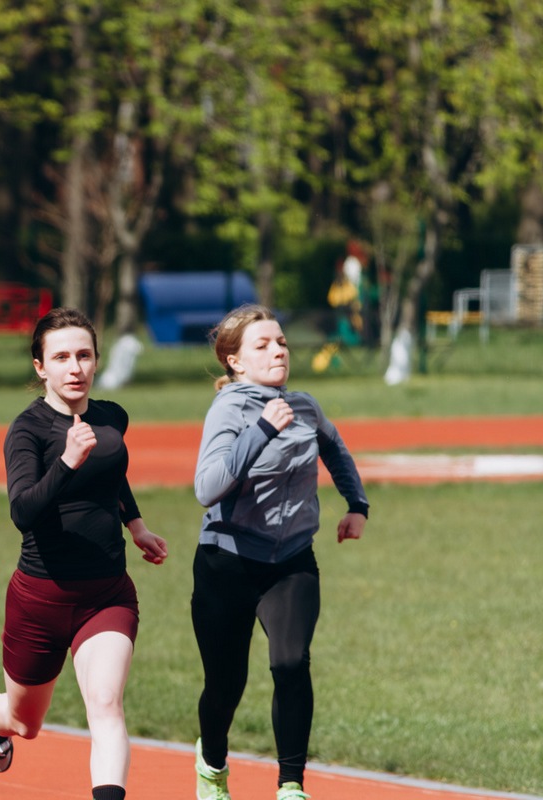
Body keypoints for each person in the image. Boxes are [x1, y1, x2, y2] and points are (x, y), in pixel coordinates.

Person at [0, 307, 168, 800]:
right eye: (61, 357)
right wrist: (66, 461)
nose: (75, 367)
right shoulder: (28, 430)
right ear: (40, 367)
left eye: (84, 355)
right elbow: (23, 511)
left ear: (97, 360)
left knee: (105, 705)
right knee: (26, 723)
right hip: (41, 598)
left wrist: (136, 525)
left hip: (106, 594)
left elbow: (112, 474)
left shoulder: (111, 416)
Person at [191, 304, 368, 800]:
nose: (279, 352)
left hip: (291, 561)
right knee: (225, 684)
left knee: (291, 664)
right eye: (263, 345)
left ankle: (291, 786)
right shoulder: (229, 410)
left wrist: (356, 504)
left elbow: (335, 450)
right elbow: (207, 488)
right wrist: (262, 431)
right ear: (235, 361)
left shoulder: (305, 406)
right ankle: (212, 766)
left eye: (282, 342)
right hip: (227, 563)